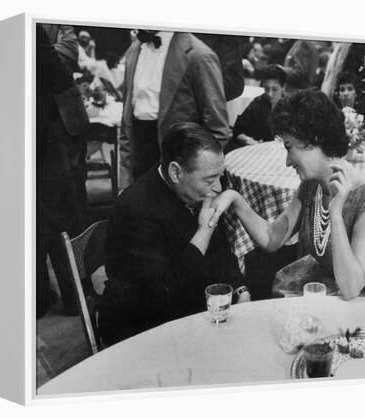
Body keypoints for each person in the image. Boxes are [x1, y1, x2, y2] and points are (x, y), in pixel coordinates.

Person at [208, 90, 365, 300]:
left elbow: (351, 288)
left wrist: (336, 215)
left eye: (289, 147)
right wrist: (235, 199)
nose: (287, 161)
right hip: (322, 296)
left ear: (314, 140)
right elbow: (273, 238)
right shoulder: (311, 186)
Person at [98, 122, 251, 346]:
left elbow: (221, 252)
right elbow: (166, 291)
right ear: (175, 172)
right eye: (210, 179)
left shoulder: (198, 189)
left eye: (220, 176)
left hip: (189, 310)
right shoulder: (136, 208)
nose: (219, 187)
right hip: (142, 329)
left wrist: (240, 288)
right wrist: (205, 229)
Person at [118, 30, 228, 190]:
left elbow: (218, 128)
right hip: (139, 162)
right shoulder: (134, 50)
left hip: (182, 169)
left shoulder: (199, 55)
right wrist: (125, 182)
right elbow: (126, 123)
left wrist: (200, 184)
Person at [36, 24, 90, 318]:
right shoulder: (37, 30)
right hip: (46, 134)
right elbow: (59, 73)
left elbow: (69, 53)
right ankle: (73, 297)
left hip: (44, 133)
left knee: (35, 218)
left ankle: (39, 296)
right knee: (62, 217)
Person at [227, 64, 286, 150]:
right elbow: (238, 132)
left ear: (283, 87)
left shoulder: (291, 106)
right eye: (266, 88)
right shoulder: (257, 105)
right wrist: (249, 140)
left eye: (274, 89)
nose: (270, 94)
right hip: (260, 150)